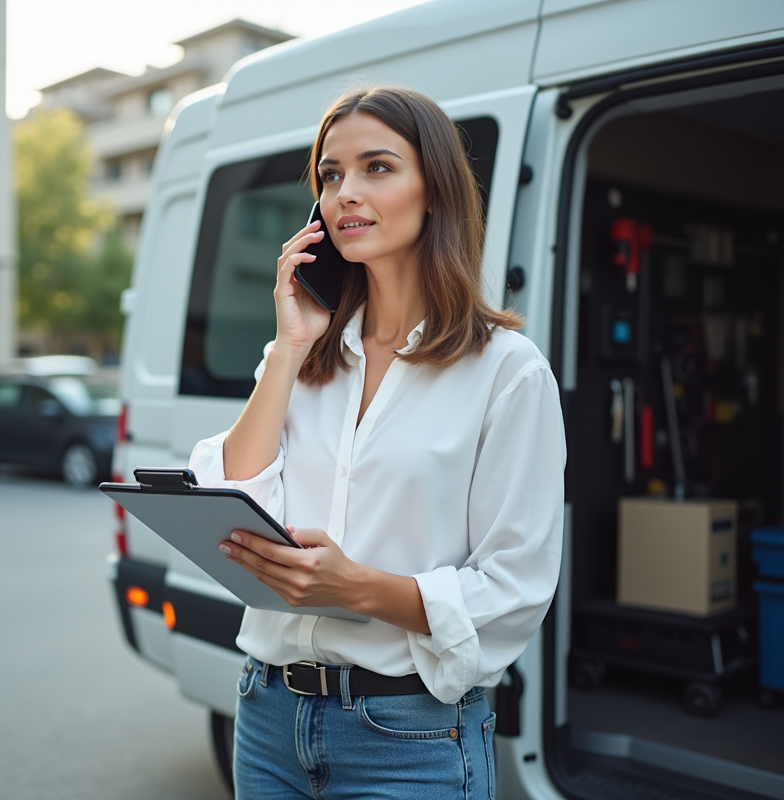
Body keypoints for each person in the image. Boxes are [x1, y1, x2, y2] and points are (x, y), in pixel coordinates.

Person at [187, 86, 566, 799]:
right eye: (330, 176)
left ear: (436, 192)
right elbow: (236, 494)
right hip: (267, 717)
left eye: (377, 167)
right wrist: (290, 345)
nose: (345, 194)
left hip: (410, 738)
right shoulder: (302, 352)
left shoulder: (507, 372)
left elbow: (515, 586)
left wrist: (356, 588)